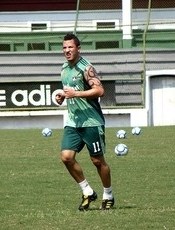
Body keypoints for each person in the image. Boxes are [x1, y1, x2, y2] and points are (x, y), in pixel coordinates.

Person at [55, 33, 114, 211]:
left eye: (70, 47)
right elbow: (71, 92)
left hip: (91, 121)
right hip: (73, 121)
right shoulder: (64, 68)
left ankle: (108, 194)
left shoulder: (86, 68)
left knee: (97, 161)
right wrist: (63, 97)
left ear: (78, 48)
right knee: (66, 157)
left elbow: (100, 90)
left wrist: (76, 94)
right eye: (64, 47)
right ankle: (87, 191)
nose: (67, 50)